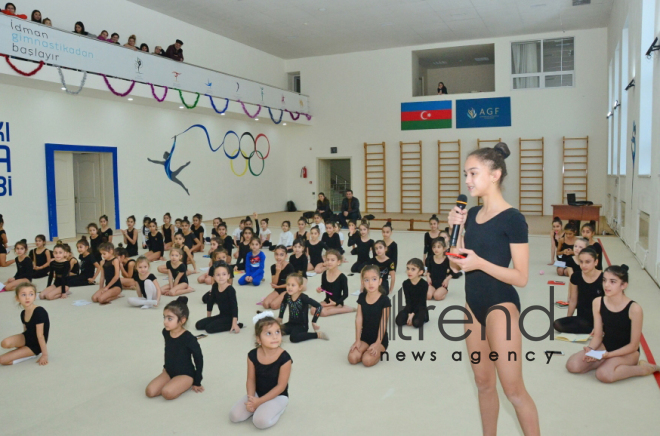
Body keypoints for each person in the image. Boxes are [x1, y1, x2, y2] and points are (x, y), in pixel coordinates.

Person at [447, 142, 540, 435]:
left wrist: (480, 263)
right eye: (465, 174)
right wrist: (456, 230)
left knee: (513, 391)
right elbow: (455, 267)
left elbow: (521, 277)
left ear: (495, 174)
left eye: (473, 173)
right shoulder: (471, 216)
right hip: (472, 307)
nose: (467, 180)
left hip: (501, 307)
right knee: (483, 384)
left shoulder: (513, 219)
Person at [566, 265, 660, 382]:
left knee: (603, 374)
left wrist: (608, 355)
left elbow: (633, 346)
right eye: (604, 280)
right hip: (606, 346)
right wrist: (590, 349)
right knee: (573, 365)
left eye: (612, 282)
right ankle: (607, 362)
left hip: (628, 352)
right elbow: (598, 335)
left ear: (623, 285)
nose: (606, 285)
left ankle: (643, 368)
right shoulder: (598, 302)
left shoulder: (634, 309)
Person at [230, 313, 291, 429]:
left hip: (278, 396)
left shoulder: (285, 358)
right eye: (269, 333)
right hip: (258, 392)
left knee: (260, 422)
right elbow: (251, 379)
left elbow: (281, 386)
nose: (275, 337)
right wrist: (251, 399)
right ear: (258, 339)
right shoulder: (252, 355)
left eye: (277, 332)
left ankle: (280, 408)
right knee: (234, 416)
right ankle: (260, 406)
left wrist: (260, 402)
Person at [146, 297, 204, 400]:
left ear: (182, 320)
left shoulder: (189, 339)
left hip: (185, 374)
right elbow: (169, 351)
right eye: (164, 317)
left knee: (167, 393)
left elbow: (199, 359)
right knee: (149, 392)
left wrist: (197, 381)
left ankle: (182, 383)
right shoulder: (166, 332)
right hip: (169, 371)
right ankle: (172, 381)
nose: (165, 322)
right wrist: (165, 368)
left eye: (169, 318)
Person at [348, 265, 391, 367]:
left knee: (367, 361)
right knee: (352, 358)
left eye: (374, 279)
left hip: (379, 339)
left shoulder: (384, 300)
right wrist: (357, 340)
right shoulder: (362, 297)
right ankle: (365, 349)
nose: (371, 283)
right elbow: (359, 319)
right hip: (365, 337)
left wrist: (377, 343)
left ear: (380, 281)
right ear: (363, 282)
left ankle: (377, 351)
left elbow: (383, 322)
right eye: (367, 280)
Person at [553, 248, 603, 333]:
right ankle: (593, 330)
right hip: (582, 318)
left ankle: (599, 329)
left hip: (600, 318)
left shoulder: (604, 278)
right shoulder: (576, 276)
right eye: (581, 262)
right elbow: (573, 300)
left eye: (587, 262)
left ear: (596, 262)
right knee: (557, 324)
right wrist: (568, 318)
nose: (583, 265)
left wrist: (601, 323)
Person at [0, 283, 49, 366]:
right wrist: (20, 344)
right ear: (17, 298)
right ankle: (23, 351)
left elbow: (40, 336)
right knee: (4, 343)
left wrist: (44, 355)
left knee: (2, 360)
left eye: (31, 294)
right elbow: (26, 330)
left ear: (34, 296)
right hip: (27, 338)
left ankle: (31, 355)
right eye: (23, 295)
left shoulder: (39, 312)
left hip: (35, 345)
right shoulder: (23, 313)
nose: (27, 297)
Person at [278, 273, 327, 342]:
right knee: (276, 330)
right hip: (291, 323)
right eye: (288, 285)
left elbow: (319, 306)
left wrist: (314, 321)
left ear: (300, 287)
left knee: (293, 338)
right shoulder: (287, 296)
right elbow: (283, 304)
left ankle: (317, 335)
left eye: (293, 285)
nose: (290, 287)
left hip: (302, 326)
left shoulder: (303, 298)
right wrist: (280, 317)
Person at [196, 264, 242, 334]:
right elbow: (210, 302)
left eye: (224, 274)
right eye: (218, 275)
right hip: (221, 315)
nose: (221, 277)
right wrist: (209, 318)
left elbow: (234, 307)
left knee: (209, 328)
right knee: (198, 325)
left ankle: (237, 324)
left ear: (228, 276)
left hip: (230, 317)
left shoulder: (230, 290)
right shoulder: (215, 286)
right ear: (214, 277)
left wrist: (234, 322)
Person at [315, 250, 354, 316]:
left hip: (337, 302)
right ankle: (328, 308)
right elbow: (324, 287)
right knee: (313, 310)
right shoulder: (324, 274)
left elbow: (345, 294)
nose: (329, 262)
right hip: (327, 301)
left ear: (338, 262)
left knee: (324, 312)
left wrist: (336, 303)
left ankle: (347, 309)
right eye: (328, 260)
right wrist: (320, 289)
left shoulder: (342, 277)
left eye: (332, 260)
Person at [396, 258, 429, 328]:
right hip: (409, 307)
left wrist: (413, 314)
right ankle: (411, 317)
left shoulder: (424, 284)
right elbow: (408, 301)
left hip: (420, 308)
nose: (409, 272)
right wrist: (408, 313)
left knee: (416, 323)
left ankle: (423, 316)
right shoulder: (405, 283)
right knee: (398, 321)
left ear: (420, 272)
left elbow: (422, 302)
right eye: (408, 269)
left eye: (413, 269)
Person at [262, 246, 294, 310]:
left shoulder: (290, 267)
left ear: (286, 256)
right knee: (265, 304)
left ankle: (290, 299)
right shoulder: (273, 267)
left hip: (288, 290)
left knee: (274, 305)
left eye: (281, 255)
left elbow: (291, 284)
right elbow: (274, 283)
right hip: (278, 289)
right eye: (276, 254)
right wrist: (277, 272)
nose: (278, 257)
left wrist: (278, 287)